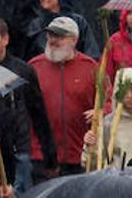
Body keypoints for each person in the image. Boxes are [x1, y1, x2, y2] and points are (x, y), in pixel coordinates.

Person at [0, 16, 56, 193]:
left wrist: (50, 157)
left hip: (18, 152)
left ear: (5, 39)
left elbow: (39, 115)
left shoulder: (22, 71)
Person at [28, 17, 96, 176]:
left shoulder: (91, 67)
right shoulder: (33, 67)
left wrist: (99, 112)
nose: (53, 40)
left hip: (80, 155)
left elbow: (108, 101)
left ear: (74, 40)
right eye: (51, 35)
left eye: (59, 36)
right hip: (41, 157)